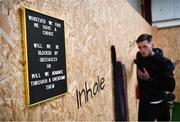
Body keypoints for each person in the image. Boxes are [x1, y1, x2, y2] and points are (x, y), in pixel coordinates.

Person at [134, 34, 176, 121]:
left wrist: (149, 79)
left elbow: (171, 86)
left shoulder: (163, 62)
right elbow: (138, 60)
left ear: (152, 45)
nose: (142, 50)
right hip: (145, 104)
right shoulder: (140, 56)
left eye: (145, 46)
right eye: (139, 47)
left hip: (161, 104)